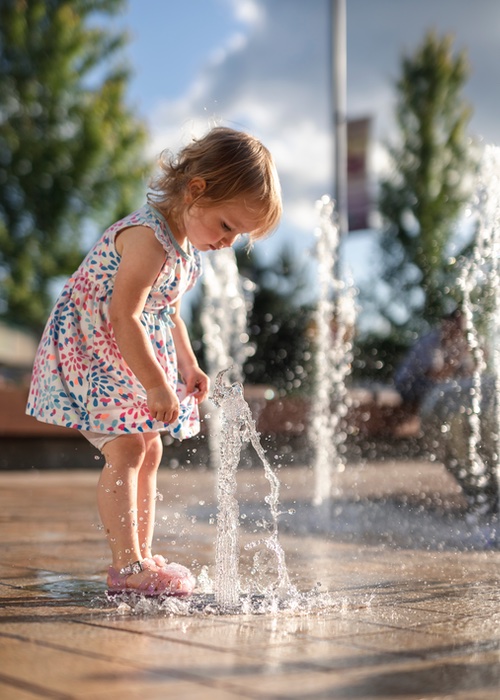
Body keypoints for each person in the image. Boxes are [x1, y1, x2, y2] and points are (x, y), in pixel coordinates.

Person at [26, 126, 282, 597]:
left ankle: (141, 555)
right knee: (126, 448)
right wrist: (156, 386)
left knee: (151, 447)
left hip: (128, 352)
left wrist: (188, 367)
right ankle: (126, 568)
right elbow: (123, 315)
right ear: (196, 191)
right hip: (97, 350)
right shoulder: (147, 237)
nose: (227, 242)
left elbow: (169, 317)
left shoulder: (186, 250)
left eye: (237, 236)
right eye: (226, 225)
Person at [393, 309, 474, 408]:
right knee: (441, 391)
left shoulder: (458, 344)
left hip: (426, 384)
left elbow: (468, 373)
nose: (459, 333)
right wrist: (458, 358)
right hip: (407, 384)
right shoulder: (431, 341)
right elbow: (435, 375)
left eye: (462, 329)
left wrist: (480, 361)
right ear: (448, 324)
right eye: (458, 328)